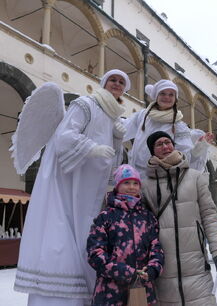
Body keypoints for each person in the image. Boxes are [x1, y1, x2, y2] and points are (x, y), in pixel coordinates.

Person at [14, 69, 130, 306]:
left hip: (90, 192)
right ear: (103, 82)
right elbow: (63, 136)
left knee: (86, 239)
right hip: (68, 184)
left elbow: (113, 165)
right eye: (113, 80)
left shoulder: (114, 118)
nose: (117, 84)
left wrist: (116, 141)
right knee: (62, 236)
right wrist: (91, 148)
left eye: (121, 82)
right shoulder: (86, 104)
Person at [142, 131, 217, 306]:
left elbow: (209, 215)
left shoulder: (195, 177)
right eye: (159, 144)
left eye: (168, 142)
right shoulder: (146, 185)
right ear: (152, 151)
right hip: (163, 269)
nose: (165, 146)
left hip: (196, 265)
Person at [87, 164, 164, 305]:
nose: (132, 187)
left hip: (142, 290)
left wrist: (153, 268)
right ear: (117, 185)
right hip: (110, 292)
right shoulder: (106, 216)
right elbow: (95, 253)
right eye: (126, 182)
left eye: (136, 183)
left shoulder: (148, 217)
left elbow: (156, 247)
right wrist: (125, 272)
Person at [123, 79, 213, 178]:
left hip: (160, 179)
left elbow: (184, 157)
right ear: (156, 96)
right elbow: (124, 129)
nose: (167, 97)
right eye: (162, 93)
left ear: (175, 99)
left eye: (171, 95)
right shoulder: (143, 115)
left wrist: (196, 152)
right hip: (135, 175)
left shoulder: (178, 125)